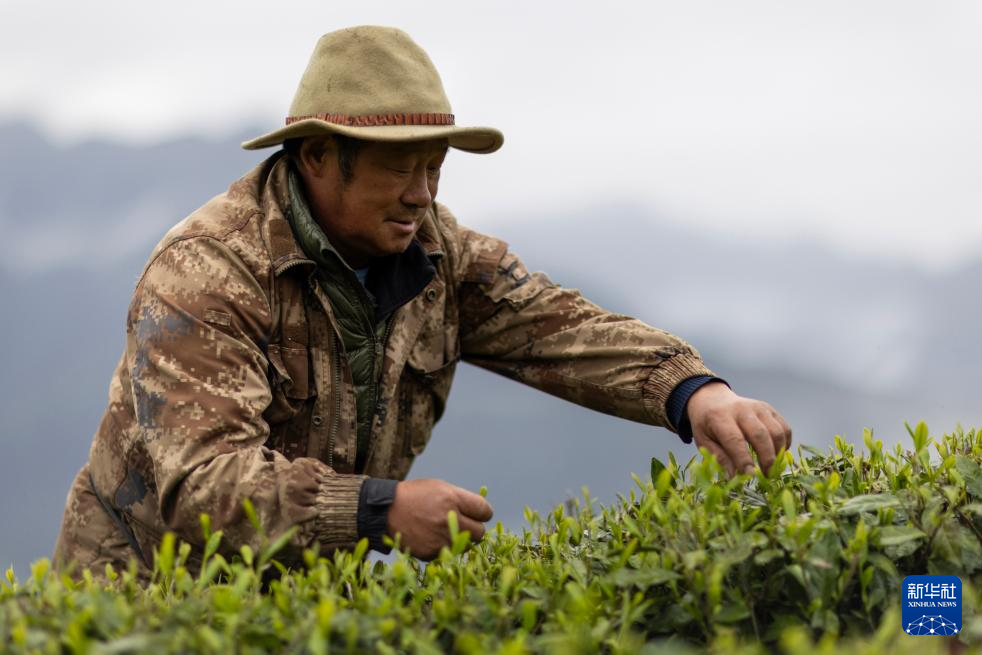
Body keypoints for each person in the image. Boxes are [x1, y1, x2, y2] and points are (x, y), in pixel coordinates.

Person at [53, 25, 791, 579]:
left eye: (434, 167)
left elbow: (560, 327)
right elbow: (202, 485)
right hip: (139, 602)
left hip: (299, 598)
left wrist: (692, 391)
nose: (422, 193)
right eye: (399, 167)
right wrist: (378, 510)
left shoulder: (437, 253)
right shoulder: (207, 274)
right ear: (316, 156)